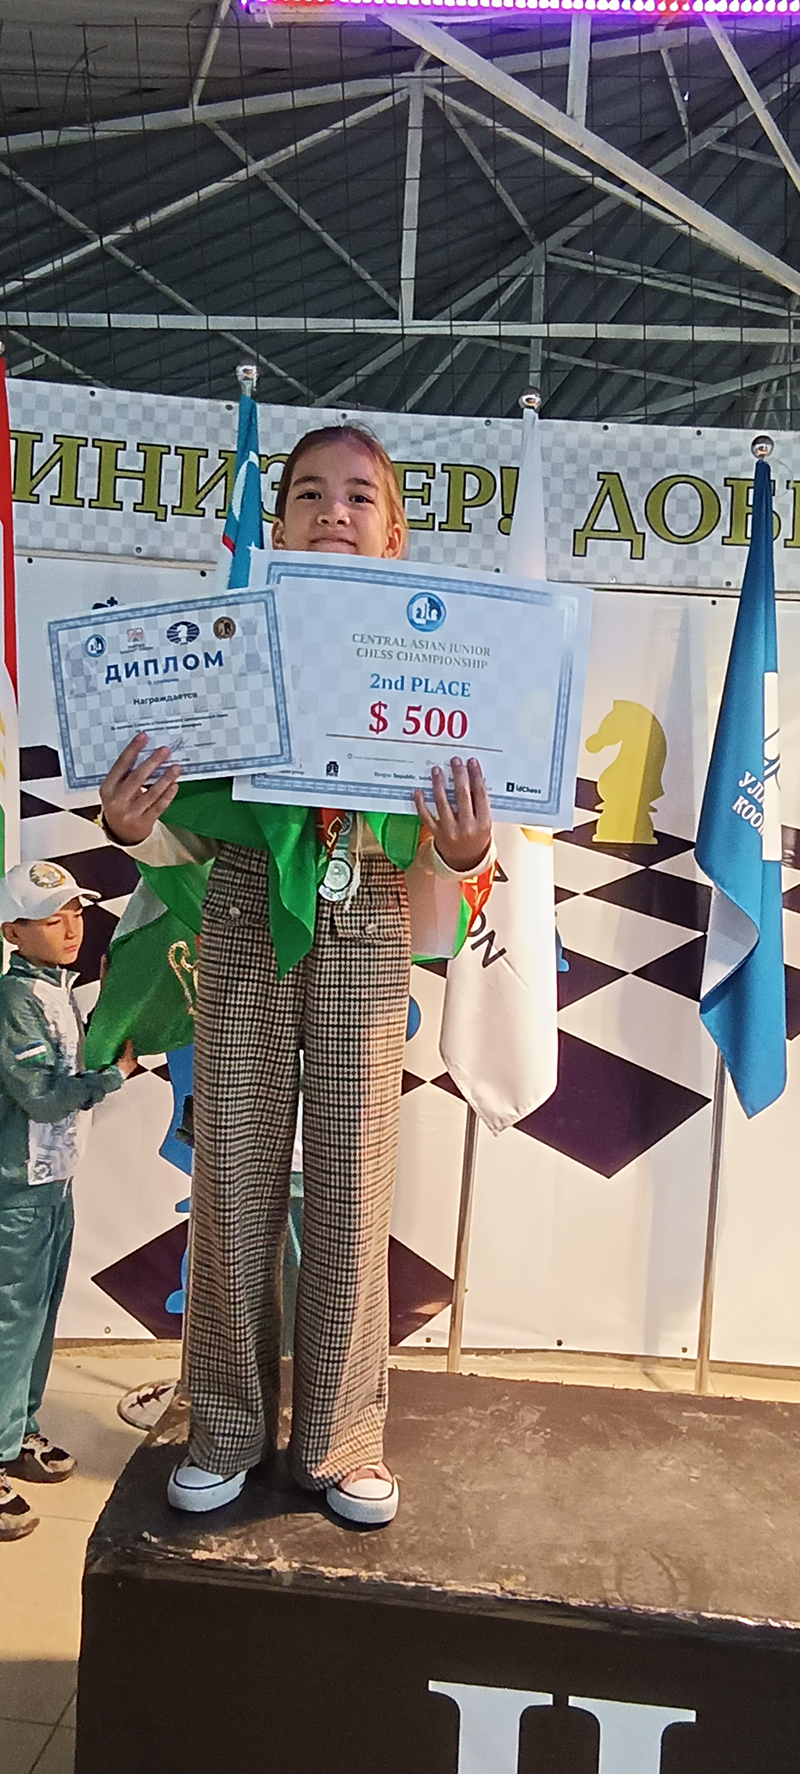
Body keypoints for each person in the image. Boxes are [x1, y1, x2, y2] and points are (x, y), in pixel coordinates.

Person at [100, 424, 494, 1527]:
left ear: (393, 532)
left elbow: (462, 839)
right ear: (275, 527)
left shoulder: (444, 658)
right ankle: (225, 1423)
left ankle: (343, 1434)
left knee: (354, 1180)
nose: (334, 510)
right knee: (232, 1172)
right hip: (239, 905)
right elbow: (179, 826)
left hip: (368, 900)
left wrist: (463, 849)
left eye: (359, 496)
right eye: (310, 493)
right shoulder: (226, 652)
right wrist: (130, 826)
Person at [0, 862, 137, 1541]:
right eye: (51, 919)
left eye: (76, 912)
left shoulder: (56, 992)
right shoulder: (15, 1001)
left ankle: (17, 1433)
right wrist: (114, 1076)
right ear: (13, 932)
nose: (70, 928)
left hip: (54, 1184)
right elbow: (45, 1097)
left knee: (38, 1317)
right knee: (10, 1326)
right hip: (16, 1193)